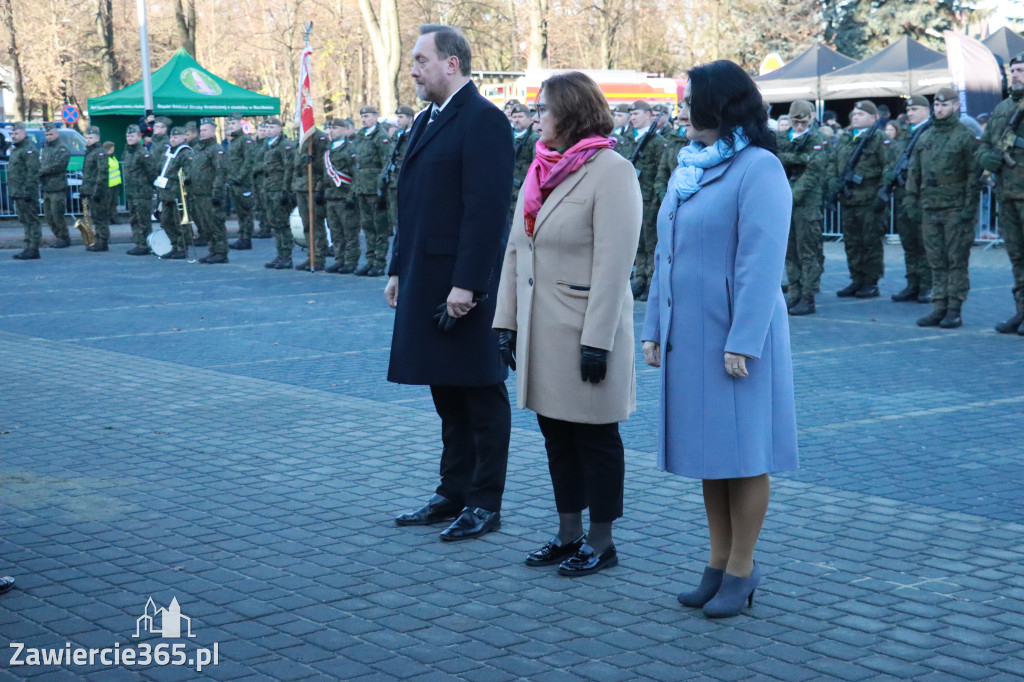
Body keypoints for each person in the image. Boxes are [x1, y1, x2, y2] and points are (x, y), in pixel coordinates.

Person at [641, 60, 798, 618]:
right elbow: (667, 254)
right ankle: (717, 562)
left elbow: (760, 262)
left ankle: (742, 568)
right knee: (712, 455)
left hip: (735, 339)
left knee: (744, 453)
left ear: (722, 106)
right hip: (691, 334)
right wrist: (654, 327)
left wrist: (744, 340)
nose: (682, 111)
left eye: (691, 102)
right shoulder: (691, 168)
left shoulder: (758, 169)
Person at [493, 71, 642, 575]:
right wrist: (505, 324)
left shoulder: (612, 170)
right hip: (542, 331)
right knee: (557, 435)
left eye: (544, 108)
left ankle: (602, 542)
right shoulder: (540, 168)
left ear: (572, 112)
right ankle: (568, 532)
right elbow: (518, 251)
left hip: (585, 331)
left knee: (596, 438)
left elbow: (615, 264)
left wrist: (598, 340)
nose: (536, 117)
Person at [387, 24, 514, 541]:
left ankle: (485, 501)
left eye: (420, 59)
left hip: (463, 286)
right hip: (426, 275)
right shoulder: (426, 119)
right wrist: (398, 266)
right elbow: (411, 203)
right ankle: (452, 491)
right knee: (447, 393)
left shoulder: (483, 120)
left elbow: (485, 214)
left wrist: (468, 285)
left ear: (452, 64)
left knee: (480, 394)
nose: (412, 68)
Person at [907, 88, 980, 329]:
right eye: (936, 106)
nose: (939, 110)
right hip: (930, 207)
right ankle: (939, 306)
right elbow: (914, 173)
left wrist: (969, 208)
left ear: (956, 106)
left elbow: (973, 175)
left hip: (955, 207)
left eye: (944, 105)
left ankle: (954, 309)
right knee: (935, 260)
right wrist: (911, 202)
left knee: (956, 260)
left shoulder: (965, 136)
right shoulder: (925, 137)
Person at [978, 51, 1024, 335]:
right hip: (1007, 194)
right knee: (1017, 257)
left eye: (1021, 70)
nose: (1016, 75)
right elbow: (985, 143)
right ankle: (1021, 311)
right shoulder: (1003, 108)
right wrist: (985, 158)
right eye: (1014, 70)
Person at [830, 100, 887, 298]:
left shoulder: (879, 138)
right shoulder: (846, 138)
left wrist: (882, 194)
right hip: (849, 199)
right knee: (852, 243)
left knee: (870, 243)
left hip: (869, 200)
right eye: (854, 114)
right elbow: (834, 163)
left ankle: (871, 282)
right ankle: (856, 279)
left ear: (873, 118)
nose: (855, 117)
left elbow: (887, 167)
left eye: (861, 114)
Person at [779, 100, 827, 316]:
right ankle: (794, 293)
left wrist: (792, 196)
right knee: (790, 252)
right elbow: (777, 159)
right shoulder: (783, 138)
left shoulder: (816, 137)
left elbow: (814, 169)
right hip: (786, 200)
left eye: (803, 122)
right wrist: (799, 158)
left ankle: (807, 297)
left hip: (806, 203)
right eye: (795, 122)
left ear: (811, 118)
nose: (799, 127)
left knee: (807, 252)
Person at [886, 95, 934, 304]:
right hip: (903, 195)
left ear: (926, 110)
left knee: (924, 243)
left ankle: (926, 285)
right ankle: (913, 283)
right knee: (909, 243)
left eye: (915, 109)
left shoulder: (930, 132)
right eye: (909, 109)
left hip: (922, 197)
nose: (910, 113)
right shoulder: (905, 134)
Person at [627, 100, 665, 301]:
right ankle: (640, 277)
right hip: (631, 197)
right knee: (637, 242)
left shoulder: (658, 143)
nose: (633, 117)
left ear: (650, 115)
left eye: (637, 113)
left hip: (650, 199)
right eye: (631, 114)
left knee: (651, 242)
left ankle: (652, 280)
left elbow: (662, 169)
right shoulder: (627, 140)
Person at [353, 105, 391, 276]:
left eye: (367, 116)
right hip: (362, 187)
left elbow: (387, 163)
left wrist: (382, 189)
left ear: (376, 117)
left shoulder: (381, 136)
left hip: (375, 188)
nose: (364, 119)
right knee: (367, 226)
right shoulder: (360, 136)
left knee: (379, 227)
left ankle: (379, 262)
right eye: (362, 116)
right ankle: (370, 260)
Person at [189, 118, 229, 264]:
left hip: (210, 194)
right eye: (201, 130)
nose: (202, 132)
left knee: (215, 223)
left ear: (213, 131)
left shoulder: (216, 149)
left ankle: (221, 252)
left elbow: (220, 172)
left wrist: (217, 193)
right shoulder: (200, 149)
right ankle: (213, 250)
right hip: (199, 193)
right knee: (206, 225)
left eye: (205, 130)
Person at [291, 126, 331, 271]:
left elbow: (325, 164)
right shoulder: (300, 137)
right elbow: (295, 166)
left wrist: (320, 188)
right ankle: (311, 256)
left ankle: (319, 257)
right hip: (301, 186)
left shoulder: (319, 138)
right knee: (307, 225)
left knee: (316, 224)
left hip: (313, 185)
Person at [153, 126, 195, 259]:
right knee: (165, 222)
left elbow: (189, 174)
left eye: (176, 137)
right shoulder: (168, 152)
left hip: (177, 194)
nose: (173, 139)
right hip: (165, 194)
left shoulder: (185, 153)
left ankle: (182, 248)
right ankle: (174, 245)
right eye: (171, 137)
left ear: (184, 138)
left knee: (180, 223)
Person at [324, 118, 359, 274]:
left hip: (345, 197)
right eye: (330, 128)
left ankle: (351, 261)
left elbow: (356, 175)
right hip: (330, 196)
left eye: (336, 128)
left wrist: (352, 196)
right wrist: (320, 190)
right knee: (335, 231)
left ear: (345, 130)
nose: (332, 131)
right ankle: (339, 259)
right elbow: (325, 175)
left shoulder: (350, 149)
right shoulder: (327, 150)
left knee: (349, 231)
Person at [260, 117, 295, 269]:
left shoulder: (284, 145)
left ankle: (286, 256)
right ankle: (280, 254)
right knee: (274, 223)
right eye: (266, 127)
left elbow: (288, 168)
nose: (268, 130)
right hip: (269, 188)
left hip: (279, 188)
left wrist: (285, 190)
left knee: (283, 223)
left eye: (271, 127)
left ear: (280, 129)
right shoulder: (267, 145)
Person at [122, 124, 158, 255]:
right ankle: (139, 243)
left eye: (132, 136)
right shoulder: (128, 153)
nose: (129, 138)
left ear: (139, 137)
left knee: (143, 220)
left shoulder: (143, 153)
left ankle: (146, 244)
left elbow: (152, 172)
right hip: (132, 193)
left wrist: (149, 188)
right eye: (128, 136)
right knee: (134, 219)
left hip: (142, 193)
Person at [8, 123, 41, 260]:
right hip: (18, 192)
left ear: (24, 133)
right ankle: (28, 247)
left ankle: (33, 248)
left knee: (31, 221)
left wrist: (28, 191)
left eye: (16, 134)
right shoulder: (17, 150)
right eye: (12, 134)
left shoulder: (29, 150)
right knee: (25, 221)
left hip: (26, 192)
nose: (13, 136)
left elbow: (32, 172)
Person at [383, 106, 415, 239]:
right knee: (395, 218)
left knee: (409, 218)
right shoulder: (397, 135)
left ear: (410, 119)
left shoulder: (415, 134)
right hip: (393, 182)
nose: (398, 120)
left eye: (401, 117)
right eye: (397, 117)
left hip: (408, 183)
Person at [226, 114, 257, 250]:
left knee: (246, 211)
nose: (231, 126)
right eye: (229, 124)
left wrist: (239, 177)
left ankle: (246, 238)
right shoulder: (233, 141)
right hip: (234, 181)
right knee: (239, 211)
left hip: (243, 182)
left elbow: (248, 161)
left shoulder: (245, 140)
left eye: (233, 124)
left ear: (240, 124)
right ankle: (241, 236)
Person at [39, 123, 71, 248]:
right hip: (46, 187)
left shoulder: (62, 148)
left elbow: (59, 166)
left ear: (57, 134)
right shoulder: (46, 149)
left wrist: (41, 171)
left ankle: (64, 238)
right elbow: (42, 163)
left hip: (57, 187)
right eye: (47, 135)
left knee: (57, 215)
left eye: (51, 134)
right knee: (49, 216)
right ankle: (58, 237)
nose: (49, 137)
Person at [510, 103, 538, 215]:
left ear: (530, 119)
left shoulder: (534, 138)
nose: (517, 120)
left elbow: (536, 165)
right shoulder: (509, 135)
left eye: (520, 117)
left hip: (523, 189)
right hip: (508, 187)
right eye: (514, 117)